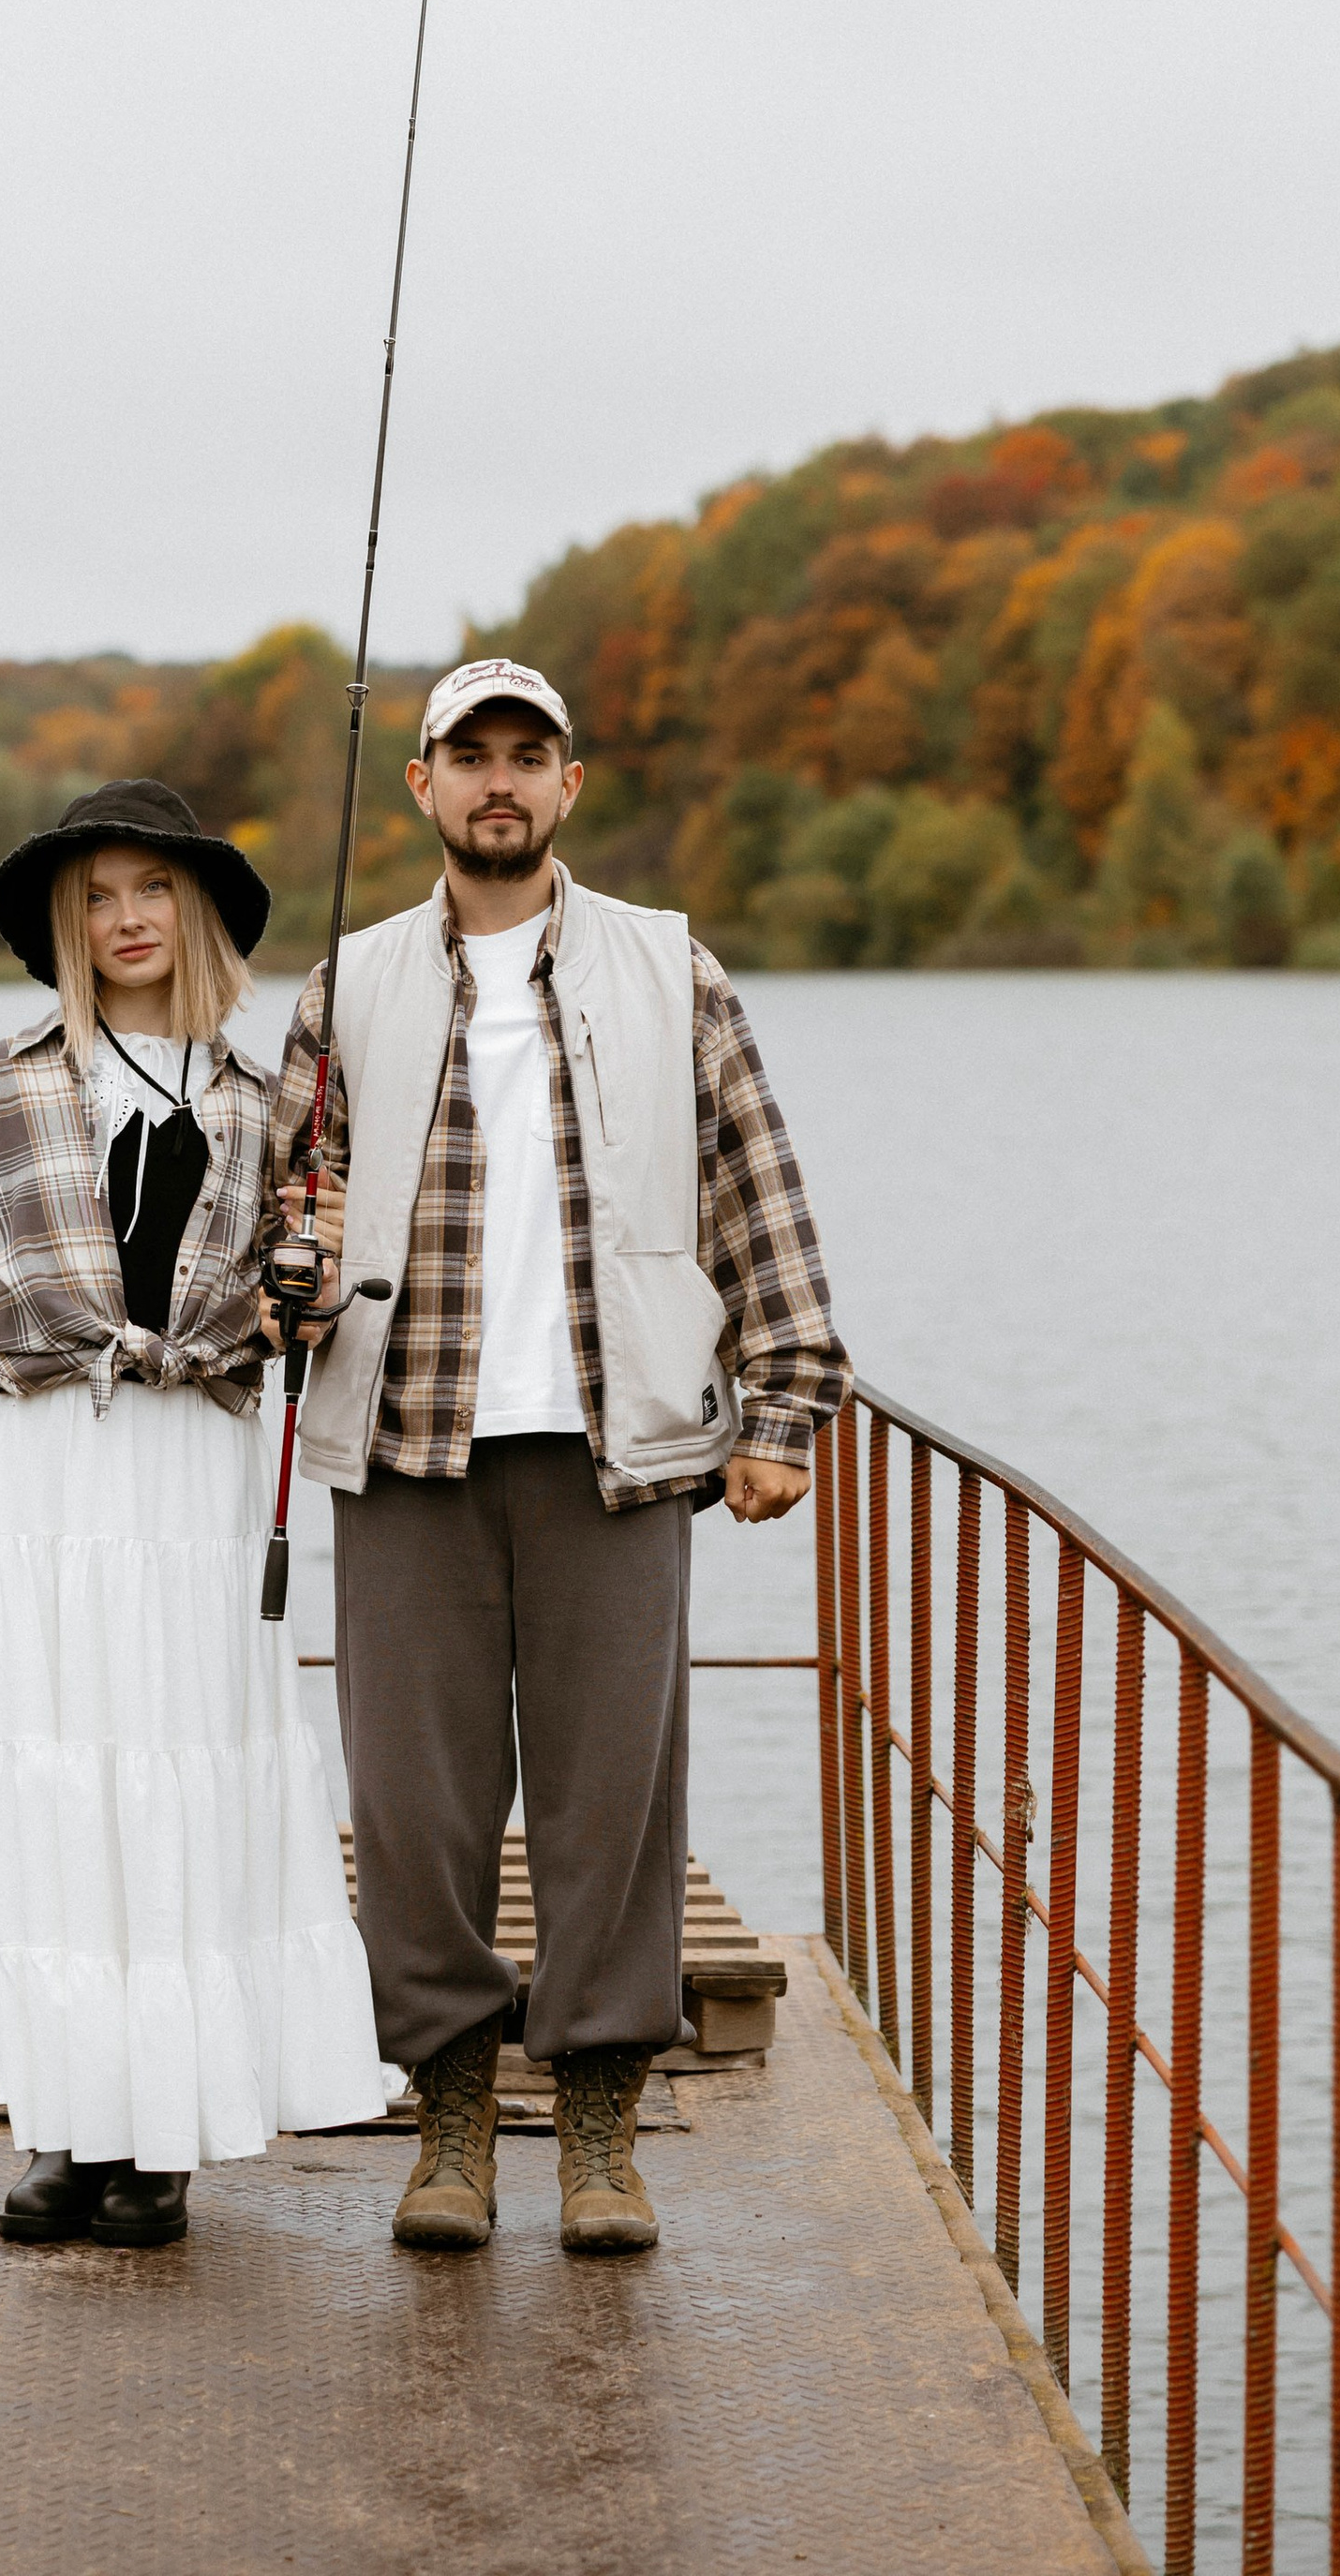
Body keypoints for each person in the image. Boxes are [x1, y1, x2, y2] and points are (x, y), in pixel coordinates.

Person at [269, 657, 852, 2258]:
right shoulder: (347, 986)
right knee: (414, 1808)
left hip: (623, 1451)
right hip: (405, 1447)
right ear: (424, 789)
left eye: (530, 756)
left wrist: (782, 1406)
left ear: (571, 786)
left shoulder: (675, 973)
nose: (500, 783)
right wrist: (288, 1270)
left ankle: (599, 2130)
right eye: (472, 758)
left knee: (615, 1804)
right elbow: (276, 1215)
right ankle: (451, 2124)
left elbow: (759, 1192)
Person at [0, 777, 389, 2250]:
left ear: (201, 912)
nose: (129, 918)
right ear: (65, 923)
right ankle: (70, 2127)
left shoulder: (278, 1107)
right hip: (41, 1476)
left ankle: (165, 2138)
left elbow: (312, 1320)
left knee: (190, 1779)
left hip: (200, 1475)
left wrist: (311, 1288)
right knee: (54, 1796)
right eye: (99, 894)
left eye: (154, 889)